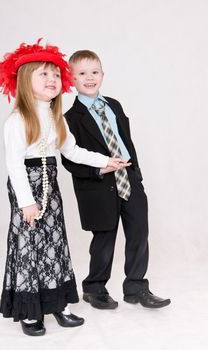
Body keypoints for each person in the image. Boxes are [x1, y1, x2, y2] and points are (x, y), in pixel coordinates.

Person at [0, 40, 128, 336]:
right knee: (30, 246)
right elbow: (14, 165)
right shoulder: (18, 120)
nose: (52, 80)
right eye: (43, 75)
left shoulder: (56, 118)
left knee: (54, 244)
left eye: (56, 75)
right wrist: (26, 203)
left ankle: (58, 304)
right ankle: (31, 311)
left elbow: (74, 151)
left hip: (49, 187)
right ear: (24, 81)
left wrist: (107, 160)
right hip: (27, 188)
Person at [62, 50, 171, 310]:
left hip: (128, 178)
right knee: (104, 237)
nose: (90, 78)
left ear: (102, 74)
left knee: (138, 232)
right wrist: (98, 170)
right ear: (71, 79)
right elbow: (69, 159)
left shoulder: (114, 105)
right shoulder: (70, 118)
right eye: (82, 73)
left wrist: (137, 174)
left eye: (95, 72)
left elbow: (125, 141)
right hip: (99, 185)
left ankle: (136, 287)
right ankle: (95, 288)